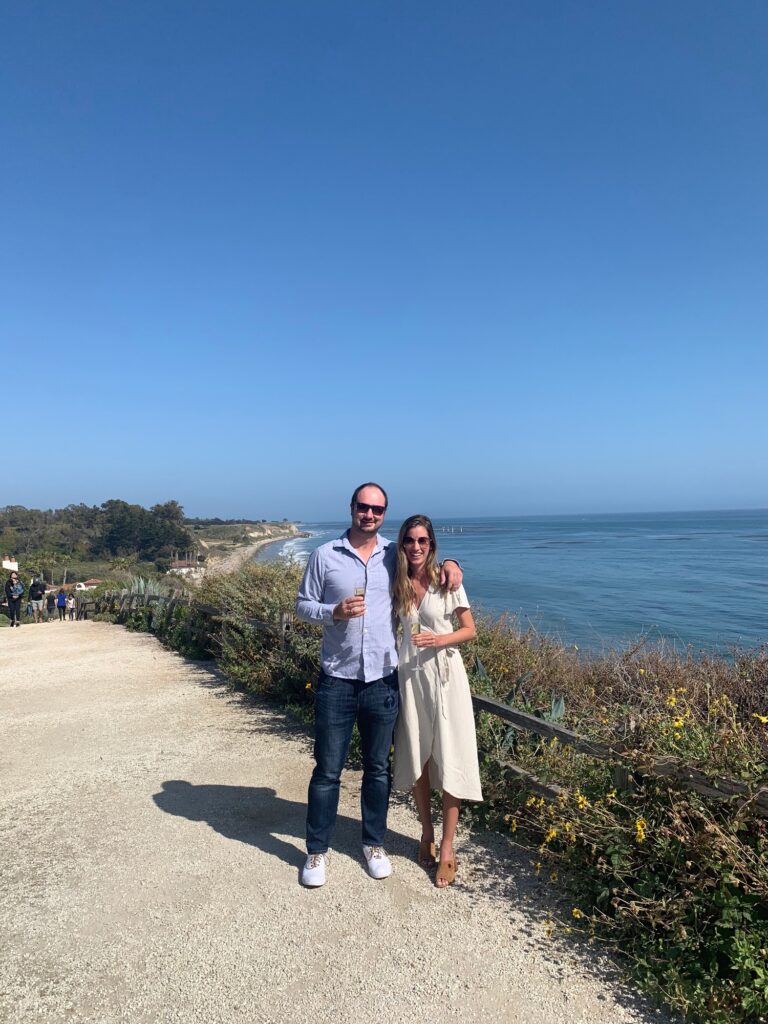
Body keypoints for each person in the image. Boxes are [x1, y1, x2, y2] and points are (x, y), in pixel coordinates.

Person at [295, 483, 462, 888]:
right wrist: (332, 611)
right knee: (328, 771)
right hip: (337, 677)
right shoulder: (324, 555)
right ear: (352, 508)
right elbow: (302, 605)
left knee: (376, 771)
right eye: (364, 507)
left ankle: (373, 843)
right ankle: (316, 851)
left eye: (378, 509)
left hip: (383, 680)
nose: (369, 514)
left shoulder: (394, 554)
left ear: (384, 514)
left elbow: (427, 563)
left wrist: (453, 563)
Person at [392, 514, 483, 888]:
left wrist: (438, 639)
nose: (416, 547)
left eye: (423, 541)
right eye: (410, 541)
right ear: (402, 544)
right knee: (418, 757)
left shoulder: (447, 582)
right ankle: (426, 832)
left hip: (445, 680)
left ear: (432, 545)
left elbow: (470, 630)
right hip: (411, 680)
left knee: (450, 757)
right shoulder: (395, 581)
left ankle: (447, 846)